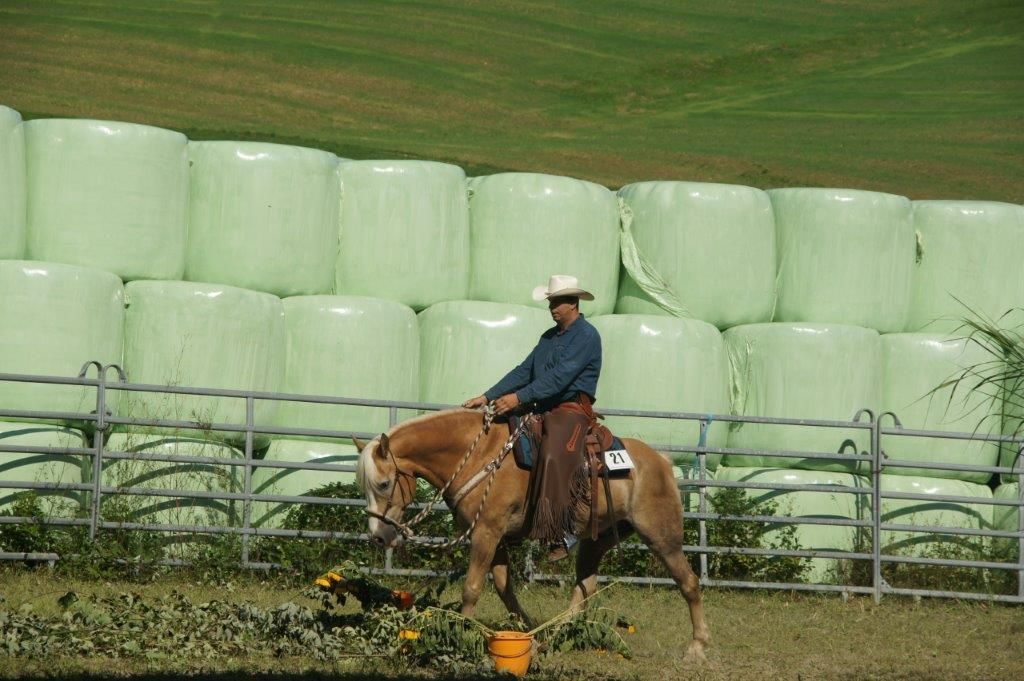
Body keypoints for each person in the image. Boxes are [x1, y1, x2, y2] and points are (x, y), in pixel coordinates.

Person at [463, 274, 602, 561]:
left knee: (552, 453)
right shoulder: (549, 338)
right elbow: (525, 370)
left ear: (573, 303)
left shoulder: (587, 336)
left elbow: (560, 378)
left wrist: (518, 398)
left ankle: (562, 530)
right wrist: (488, 396)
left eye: (557, 302)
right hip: (543, 406)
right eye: (550, 301)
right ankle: (518, 520)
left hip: (571, 409)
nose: (552, 307)